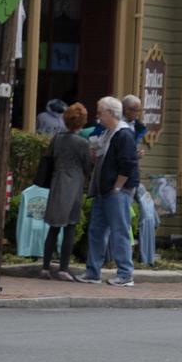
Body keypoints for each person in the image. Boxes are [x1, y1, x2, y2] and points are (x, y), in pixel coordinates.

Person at [79, 96, 139, 286]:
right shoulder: (108, 133)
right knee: (96, 230)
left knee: (119, 230)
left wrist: (118, 186)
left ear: (110, 113)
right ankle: (93, 271)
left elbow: (128, 164)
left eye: (100, 112)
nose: (98, 117)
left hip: (116, 191)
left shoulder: (123, 134)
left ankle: (125, 274)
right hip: (103, 190)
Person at [40, 103, 93, 281]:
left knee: (53, 227)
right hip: (74, 184)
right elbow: (87, 166)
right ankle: (63, 268)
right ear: (82, 122)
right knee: (70, 226)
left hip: (57, 182)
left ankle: (45, 267)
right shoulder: (82, 143)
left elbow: (50, 157)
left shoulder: (57, 138)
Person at [121, 94, 156, 266]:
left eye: (139, 110)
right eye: (135, 110)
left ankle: (137, 258)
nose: (138, 113)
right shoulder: (118, 126)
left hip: (131, 177)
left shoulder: (138, 128)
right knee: (120, 218)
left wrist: (136, 155)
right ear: (125, 109)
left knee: (139, 213)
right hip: (119, 179)